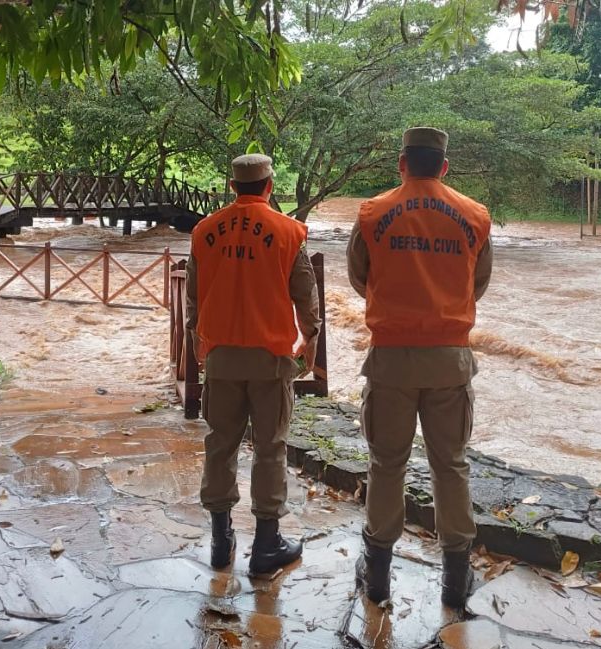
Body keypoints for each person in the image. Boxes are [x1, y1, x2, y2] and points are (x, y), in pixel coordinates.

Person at [347, 127, 493, 609]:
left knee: (386, 465)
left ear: (402, 163)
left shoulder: (373, 213)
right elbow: (478, 283)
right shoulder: (474, 216)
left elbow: (358, 277)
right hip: (449, 360)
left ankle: (379, 576)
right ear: (444, 166)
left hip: (390, 358)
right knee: (450, 466)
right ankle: (454, 580)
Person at [186, 154, 322, 576]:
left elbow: (193, 296)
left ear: (232, 186)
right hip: (271, 359)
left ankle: (220, 540)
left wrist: (198, 344)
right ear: (270, 186)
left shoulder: (204, 231)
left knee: (220, 444)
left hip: (222, 357)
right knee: (270, 448)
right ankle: (266, 545)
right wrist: (310, 342)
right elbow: (306, 297)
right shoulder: (288, 232)